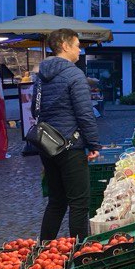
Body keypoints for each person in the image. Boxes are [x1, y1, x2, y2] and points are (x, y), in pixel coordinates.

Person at [34, 28, 101, 240]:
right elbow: (84, 112)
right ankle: (79, 252)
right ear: (65, 46)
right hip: (71, 145)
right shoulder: (74, 74)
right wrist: (94, 144)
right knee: (79, 203)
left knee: (56, 201)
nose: (79, 51)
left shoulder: (41, 74)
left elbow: (35, 110)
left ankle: (44, 248)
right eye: (77, 46)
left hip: (48, 145)